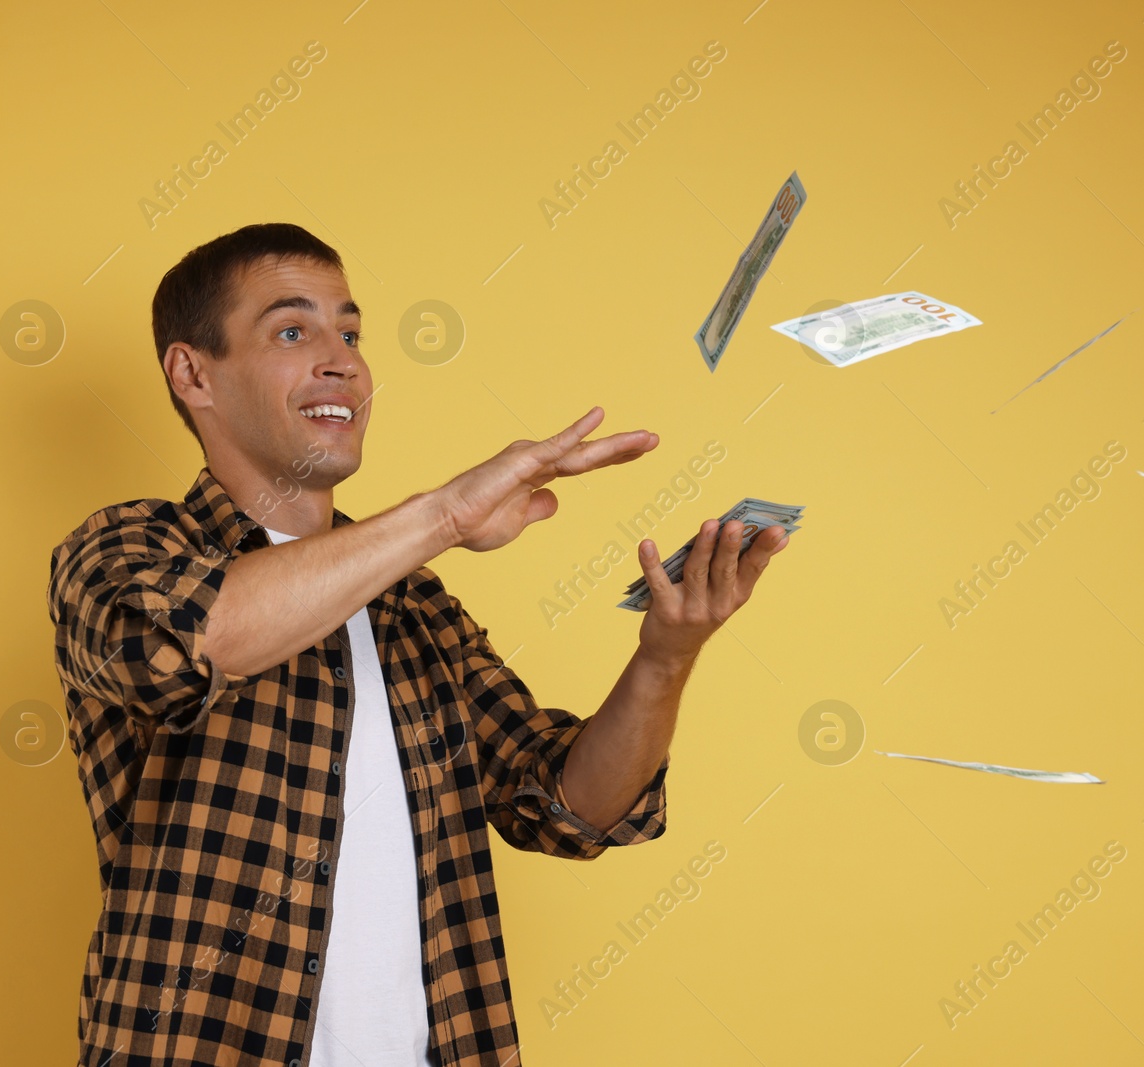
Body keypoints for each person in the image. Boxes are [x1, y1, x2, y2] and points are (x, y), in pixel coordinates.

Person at [45, 222, 790, 1066]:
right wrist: (442, 514)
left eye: (352, 334)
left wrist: (666, 656)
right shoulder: (123, 551)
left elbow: (567, 806)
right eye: (294, 331)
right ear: (192, 373)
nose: (345, 362)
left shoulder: (412, 604)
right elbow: (182, 647)